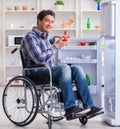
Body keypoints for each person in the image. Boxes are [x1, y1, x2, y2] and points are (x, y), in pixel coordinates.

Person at [20, 9, 103, 120]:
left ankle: (89, 106)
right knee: (64, 67)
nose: (50, 24)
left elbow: (45, 47)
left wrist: (54, 40)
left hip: (49, 71)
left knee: (77, 69)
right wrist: (56, 46)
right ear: (39, 21)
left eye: (52, 21)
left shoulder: (43, 37)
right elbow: (39, 59)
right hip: (36, 74)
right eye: (47, 21)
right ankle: (70, 108)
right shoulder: (30, 37)